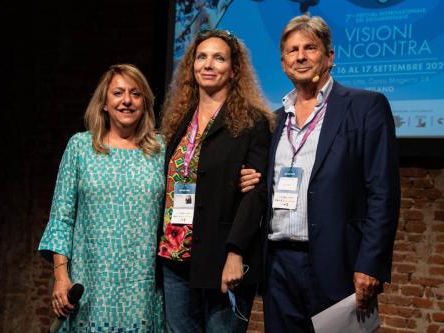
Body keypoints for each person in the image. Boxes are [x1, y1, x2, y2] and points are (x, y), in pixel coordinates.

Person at [240, 14, 400, 332]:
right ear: (283, 62)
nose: (300, 56)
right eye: (292, 50)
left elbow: (383, 193)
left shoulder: (365, 107)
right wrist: (249, 179)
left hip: (337, 262)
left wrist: (370, 264)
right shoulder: (273, 121)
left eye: (310, 47)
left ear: (329, 56)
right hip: (279, 265)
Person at [158, 29, 274, 333]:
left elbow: (255, 195)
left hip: (223, 258)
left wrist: (235, 253)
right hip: (175, 257)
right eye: (202, 57)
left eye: (219, 58)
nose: (208, 64)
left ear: (234, 70)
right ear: (192, 66)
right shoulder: (179, 120)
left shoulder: (252, 122)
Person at [38, 64, 165, 332]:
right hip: (90, 287)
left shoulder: (160, 150)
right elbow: (61, 217)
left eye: (135, 93)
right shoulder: (81, 147)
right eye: (118, 93)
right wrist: (61, 275)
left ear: (145, 103)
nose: (127, 100)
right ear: (105, 103)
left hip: (141, 290)